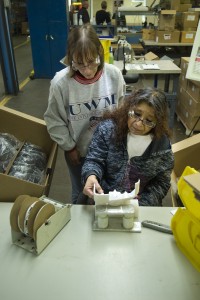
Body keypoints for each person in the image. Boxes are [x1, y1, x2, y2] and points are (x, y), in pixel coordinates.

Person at [44, 24, 125, 204]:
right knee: (81, 194)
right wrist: (70, 147)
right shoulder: (61, 84)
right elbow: (54, 120)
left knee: (110, 192)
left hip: (109, 148)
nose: (87, 70)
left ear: (100, 53)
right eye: (79, 63)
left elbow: (121, 110)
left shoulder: (114, 75)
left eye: (92, 61)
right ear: (70, 58)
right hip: (78, 151)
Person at [82, 87, 174, 206]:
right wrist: (91, 175)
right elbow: (94, 160)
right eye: (136, 114)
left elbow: (161, 182)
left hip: (141, 207)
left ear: (158, 123)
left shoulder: (162, 145)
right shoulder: (108, 130)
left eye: (149, 120)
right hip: (104, 201)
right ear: (128, 108)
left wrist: (141, 204)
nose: (138, 124)